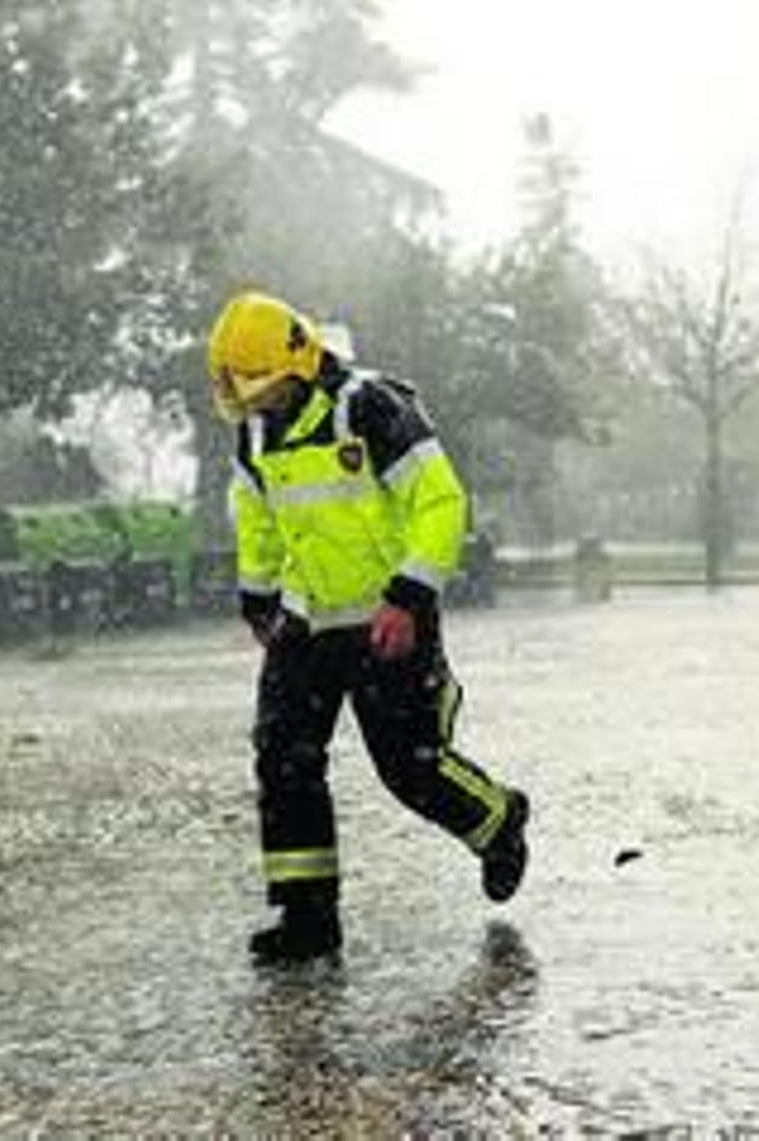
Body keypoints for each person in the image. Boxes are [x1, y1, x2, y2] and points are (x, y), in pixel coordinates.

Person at [207, 290, 531, 965]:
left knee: (410, 769)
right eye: (248, 395)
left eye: (265, 390)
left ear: (300, 363)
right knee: (284, 758)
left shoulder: (372, 407)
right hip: (308, 621)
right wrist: (259, 596)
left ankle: (497, 820)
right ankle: (307, 920)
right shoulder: (256, 432)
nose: (258, 405)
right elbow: (258, 516)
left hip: (389, 618)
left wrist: (409, 596)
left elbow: (440, 500)